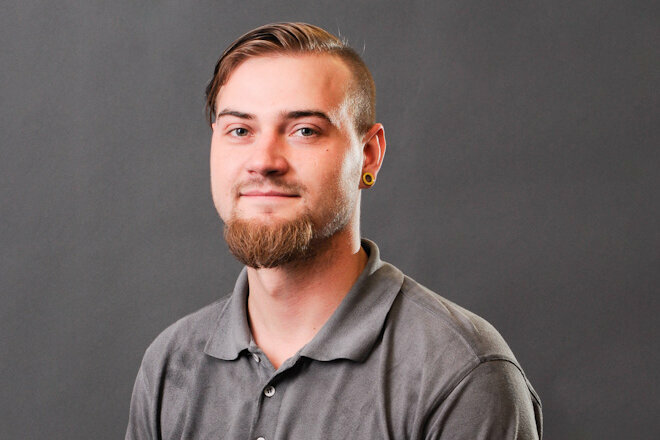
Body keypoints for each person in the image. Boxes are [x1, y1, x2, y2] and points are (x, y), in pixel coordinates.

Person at [125, 22, 542, 439]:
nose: (264, 160)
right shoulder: (170, 365)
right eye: (240, 130)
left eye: (304, 130)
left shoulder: (459, 374)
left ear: (369, 156)